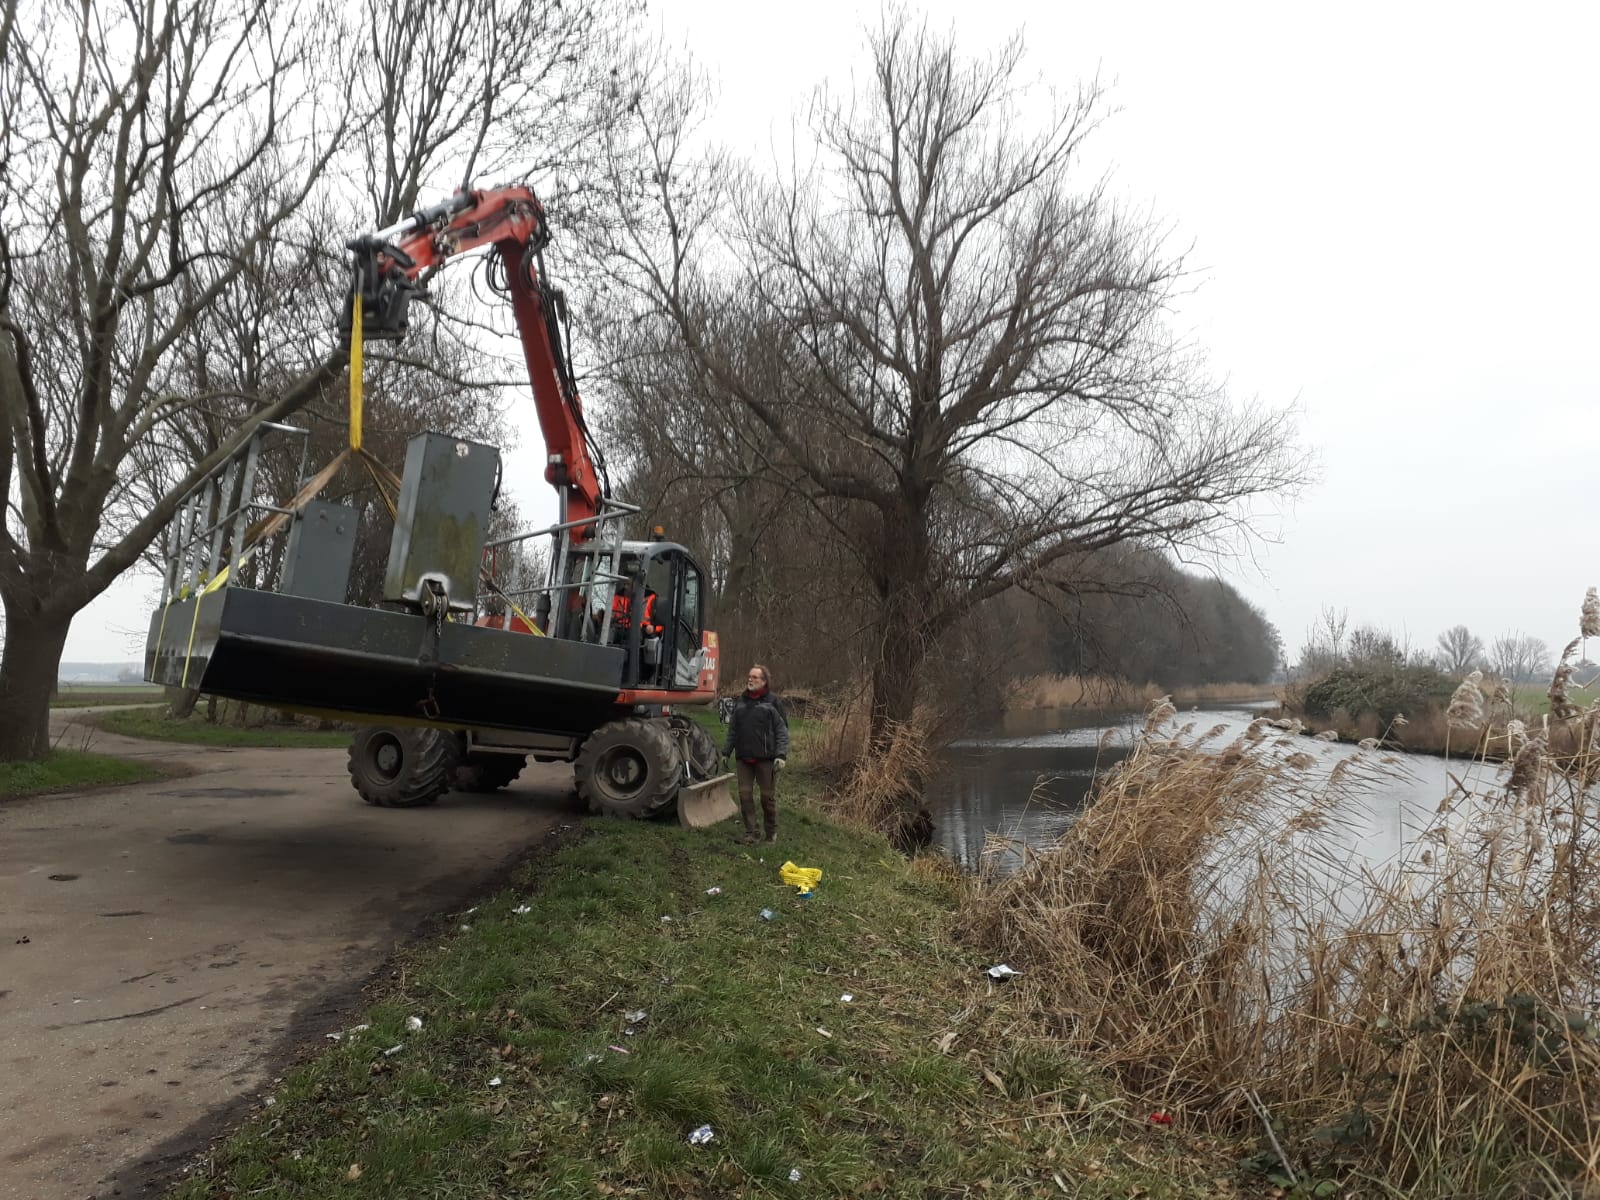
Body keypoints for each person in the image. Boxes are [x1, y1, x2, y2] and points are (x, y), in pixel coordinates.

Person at [721, 663, 789, 845]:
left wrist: (781, 755)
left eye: (755, 677)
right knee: (744, 796)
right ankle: (751, 832)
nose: (750, 680)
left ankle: (771, 833)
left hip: (766, 759)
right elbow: (733, 730)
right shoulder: (741, 702)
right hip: (744, 758)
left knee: (767, 798)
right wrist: (726, 752)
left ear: (764, 681)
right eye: (749, 677)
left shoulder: (773, 703)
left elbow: (782, 731)